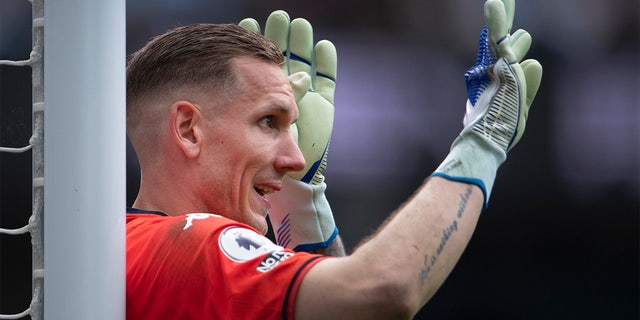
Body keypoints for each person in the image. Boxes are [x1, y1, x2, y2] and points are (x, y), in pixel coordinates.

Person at [125, 0, 542, 319]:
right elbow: (383, 289)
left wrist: (302, 207)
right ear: (188, 130)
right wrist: (483, 141)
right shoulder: (189, 245)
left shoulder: (133, 254)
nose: (292, 158)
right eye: (268, 121)